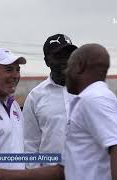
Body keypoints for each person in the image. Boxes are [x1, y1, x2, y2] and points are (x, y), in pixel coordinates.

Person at [64, 43, 117, 180]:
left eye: (68, 66)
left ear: (80, 66)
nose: (66, 72)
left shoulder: (94, 98)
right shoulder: (94, 97)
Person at [23, 34, 77, 169]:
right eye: (59, 56)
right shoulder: (35, 97)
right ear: (47, 61)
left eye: (69, 55)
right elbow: (30, 143)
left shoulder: (89, 91)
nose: (65, 60)